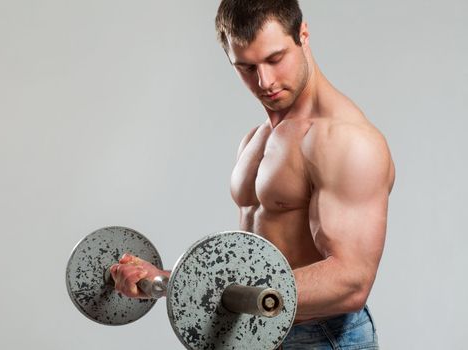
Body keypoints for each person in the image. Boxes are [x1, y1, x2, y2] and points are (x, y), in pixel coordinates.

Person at [111, 1, 395, 348]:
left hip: (319, 337)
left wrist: (191, 283)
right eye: (246, 67)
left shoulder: (344, 140)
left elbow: (351, 282)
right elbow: (251, 268)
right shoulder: (256, 139)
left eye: (275, 59)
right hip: (253, 332)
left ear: (302, 34)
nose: (265, 81)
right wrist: (168, 280)